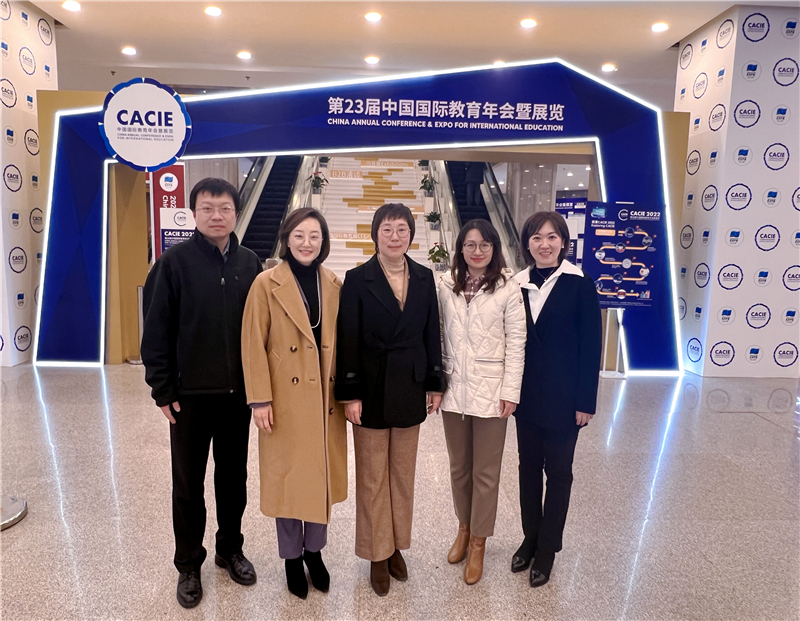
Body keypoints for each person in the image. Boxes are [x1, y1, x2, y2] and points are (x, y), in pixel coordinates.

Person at [141, 178, 263, 609]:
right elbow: (155, 329)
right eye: (208, 208)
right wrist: (162, 389)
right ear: (194, 214)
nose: (216, 215)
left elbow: (260, 330)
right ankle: (189, 563)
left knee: (233, 479)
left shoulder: (250, 263)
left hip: (236, 397)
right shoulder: (173, 263)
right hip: (188, 398)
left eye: (225, 208)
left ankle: (230, 549)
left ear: (235, 213)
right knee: (188, 485)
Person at [335, 203, 446, 597]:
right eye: (387, 229)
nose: (395, 236)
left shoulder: (424, 277)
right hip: (371, 388)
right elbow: (347, 339)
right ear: (375, 234)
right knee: (372, 477)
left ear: (411, 235)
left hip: (410, 387)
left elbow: (431, 333)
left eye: (402, 229)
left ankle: (396, 545)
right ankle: (376, 554)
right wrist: (350, 394)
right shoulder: (357, 279)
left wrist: (435, 383)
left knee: (401, 475)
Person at [240, 207, 346, 600]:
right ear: (287, 239)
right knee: (287, 480)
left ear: (323, 242)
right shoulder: (265, 284)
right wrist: (260, 400)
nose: (307, 243)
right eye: (299, 235)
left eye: (314, 236)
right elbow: (252, 343)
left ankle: (314, 553)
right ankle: (290, 557)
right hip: (284, 400)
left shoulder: (333, 283)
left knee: (320, 478)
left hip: (325, 401)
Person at [511, 211, 602, 588]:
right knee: (527, 470)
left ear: (564, 242)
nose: (544, 244)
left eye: (551, 237)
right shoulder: (516, 284)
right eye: (536, 238)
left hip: (565, 399)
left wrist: (586, 402)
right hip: (525, 398)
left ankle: (547, 548)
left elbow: (591, 346)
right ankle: (530, 538)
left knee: (559, 473)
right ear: (527, 244)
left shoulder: (580, 284)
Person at [436, 219, 526, 585]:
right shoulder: (445, 285)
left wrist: (510, 392)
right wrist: (435, 383)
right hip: (454, 390)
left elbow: (517, 342)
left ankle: (478, 542)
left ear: (494, 249)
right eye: (470, 244)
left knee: (485, 474)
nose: (477, 251)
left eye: (484, 245)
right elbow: (436, 334)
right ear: (460, 248)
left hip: (492, 391)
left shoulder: (508, 287)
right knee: (459, 468)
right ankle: (463, 527)